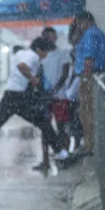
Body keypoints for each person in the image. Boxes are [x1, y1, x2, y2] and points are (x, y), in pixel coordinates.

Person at [0, 37, 65, 174]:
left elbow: (18, 63)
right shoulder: (33, 57)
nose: (45, 56)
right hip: (19, 98)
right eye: (45, 52)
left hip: (8, 96)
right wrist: (33, 79)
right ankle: (63, 155)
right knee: (43, 123)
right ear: (39, 50)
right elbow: (21, 67)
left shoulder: (21, 53)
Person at [72, 11, 105, 155]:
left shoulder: (90, 34)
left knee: (87, 112)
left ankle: (90, 145)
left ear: (84, 22)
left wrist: (86, 79)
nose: (78, 28)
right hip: (97, 76)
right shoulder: (98, 33)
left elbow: (89, 59)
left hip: (90, 77)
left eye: (79, 24)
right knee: (92, 112)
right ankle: (92, 144)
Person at [38, 28, 75, 167]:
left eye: (51, 36)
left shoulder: (62, 54)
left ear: (55, 38)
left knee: (61, 127)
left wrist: (55, 89)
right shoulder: (40, 55)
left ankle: (64, 156)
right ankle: (45, 160)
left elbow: (65, 74)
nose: (49, 39)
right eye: (46, 37)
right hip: (45, 97)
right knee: (45, 128)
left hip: (59, 97)